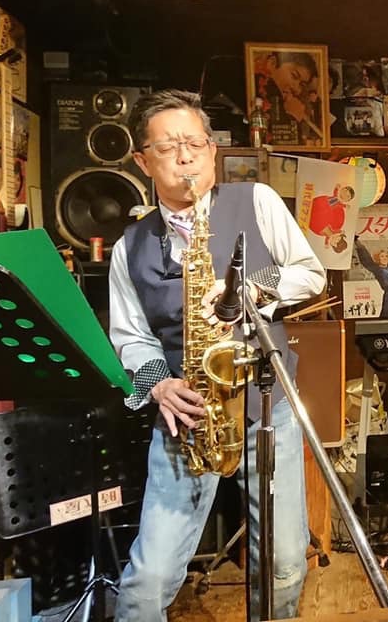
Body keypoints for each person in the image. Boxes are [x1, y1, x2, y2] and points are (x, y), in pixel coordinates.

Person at [108, 89, 326, 621]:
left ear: (211, 149)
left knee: (285, 564)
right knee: (147, 580)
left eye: (195, 144)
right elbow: (131, 337)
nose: (185, 158)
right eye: (168, 148)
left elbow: (310, 273)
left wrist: (250, 286)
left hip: (266, 408)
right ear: (142, 161)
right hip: (187, 416)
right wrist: (160, 385)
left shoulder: (256, 200)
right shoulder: (128, 247)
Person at [355, 238, 388, 317]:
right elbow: (367, 260)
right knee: (386, 317)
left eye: (386, 256)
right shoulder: (377, 269)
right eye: (382, 256)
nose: (385, 258)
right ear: (378, 258)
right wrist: (359, 245)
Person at [308, 184, 355, 250]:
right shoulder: (336, 199)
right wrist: (336, 188)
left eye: (347, 196)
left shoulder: (330, 235)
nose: (335, 239)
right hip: (325, 204)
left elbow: (327, 238)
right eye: (345, 191)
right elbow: (336, 198)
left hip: (324, 211)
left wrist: (326, 244)